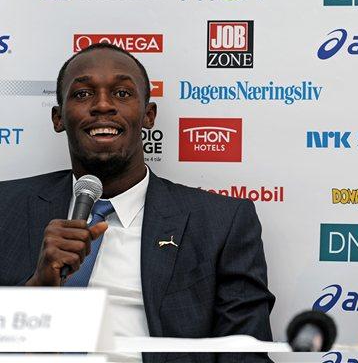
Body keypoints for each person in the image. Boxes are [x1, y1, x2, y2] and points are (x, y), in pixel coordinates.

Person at [0, 43, 275, 362]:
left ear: (148, 115)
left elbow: (245, 355)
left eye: (122, 93)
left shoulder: (221, 223)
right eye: (83, 94)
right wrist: (37, 290)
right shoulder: (6, 207)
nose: (103, 105)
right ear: (58, 118)